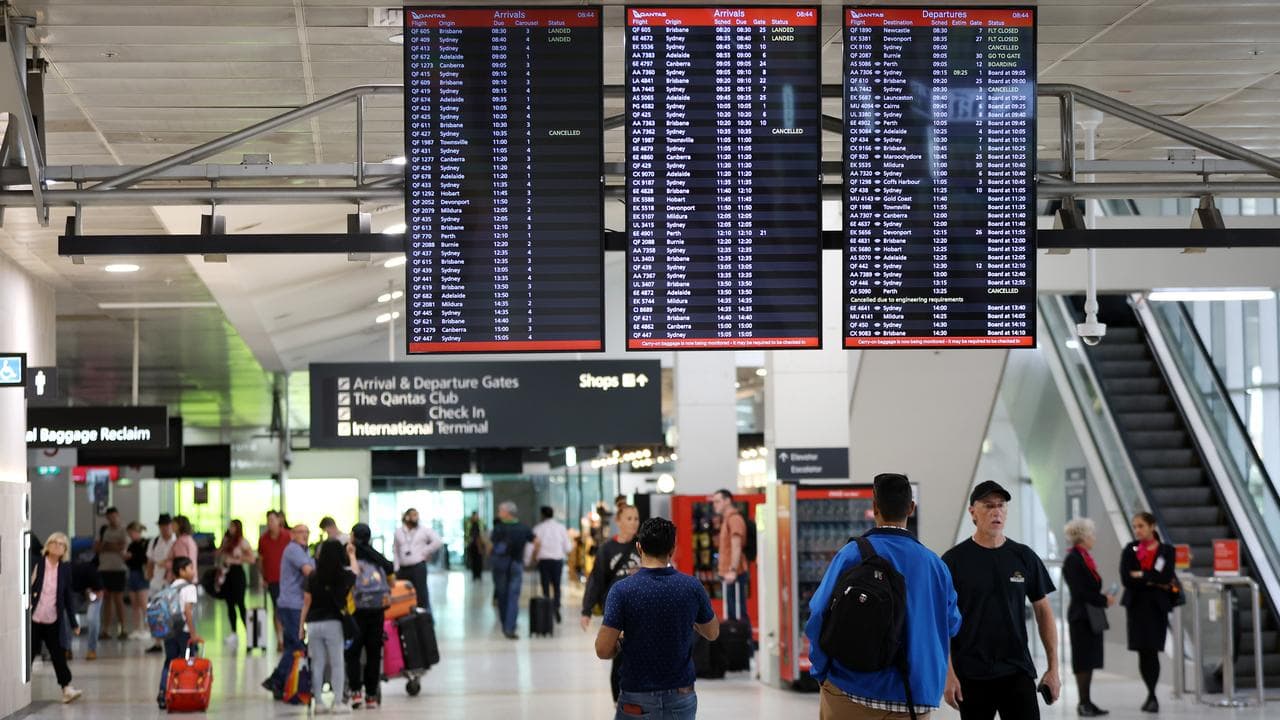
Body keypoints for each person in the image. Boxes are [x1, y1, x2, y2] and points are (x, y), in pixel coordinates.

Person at [805, 472, 962, 719]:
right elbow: (952, 624)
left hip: (852, 687)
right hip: (915, 696)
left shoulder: (852, 554)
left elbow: (818, 614)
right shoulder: (936, 566)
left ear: (874, 507)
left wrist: (821, 671)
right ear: (911, 507)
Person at [943, 481, 1060, 719]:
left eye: (1001, 506)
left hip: (1017, 670)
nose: (996, 511)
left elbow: (1043, 611)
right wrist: (948, 675)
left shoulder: (1024, 556)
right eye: (988, 506)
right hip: (971, 674)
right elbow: (940, 621)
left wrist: (1054, 668)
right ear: (972, 512)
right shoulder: (954, 561)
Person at [595, 517, 719, 720]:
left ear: (638, 547)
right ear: (673, 548)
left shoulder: (622, 590)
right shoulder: (692, 587)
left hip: (637, 696)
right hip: (681, 694)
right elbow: (712, 633)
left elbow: (602, 649)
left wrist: (620, 643)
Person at [581, 504, 643, 701]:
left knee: (639, 654)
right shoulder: (607, 548)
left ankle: (638, 696)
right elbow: (596, 579)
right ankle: (619, 700)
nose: (633, 523)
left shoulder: (644, 545)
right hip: (616, 609)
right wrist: (586, 610)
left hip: (642, 608)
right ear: (618, 521)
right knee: (618, 655)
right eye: (629, 518)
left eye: (636, 518)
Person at [1120, 512, 1176, 714]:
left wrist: (1141, 575)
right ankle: (1150, 693)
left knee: (1152, 650)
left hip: (1156, 608)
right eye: (1135, 526)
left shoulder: (1166, 550)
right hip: (1136, 607)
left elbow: (1167, 576)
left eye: (1141, 526)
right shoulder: (1130, 550)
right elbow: (1126, 579)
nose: (1137, 530)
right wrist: (1152, 579)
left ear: (1152, 526)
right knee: (1143, 652)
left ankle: (1152, 695)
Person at [1063, 518, 1117, 717]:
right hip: (1081, 616)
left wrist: (1102, 599)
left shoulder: (1083, 557)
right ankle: (1083, 703)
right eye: (1092, 534)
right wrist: (1104, 600)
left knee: (1089, 660)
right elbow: (1080, 592)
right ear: (1083, 537)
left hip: (1090, 615)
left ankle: (1087, 701)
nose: (1094, 538)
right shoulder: (1074, 560)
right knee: (1083, 660)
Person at [302, 539, 357, 715]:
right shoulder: (342, 575)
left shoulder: (313, 576)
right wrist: (352, 554)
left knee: (317, 663)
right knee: (337, 663)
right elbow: (355, 573)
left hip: (313, 623)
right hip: (333, 623)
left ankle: (318, 702)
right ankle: (337, 702)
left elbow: (306, 602)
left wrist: (300, 626)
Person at [346, 523, 396, 710]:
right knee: (374, 652)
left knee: (353, 652)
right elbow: (391, 580)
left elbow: (349, 578)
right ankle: (371, 695)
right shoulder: (378, 558)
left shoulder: (350, 555)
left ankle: (355, 692)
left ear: (353, 536)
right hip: (377, 611)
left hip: (356, 612)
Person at [30, 532, 83, 703]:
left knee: (58, 653)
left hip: (53, 618)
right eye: (54, 542)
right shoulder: (37, 563)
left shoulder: (65, 569)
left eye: (61, 544)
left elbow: (68, 597)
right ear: (48, 544)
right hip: (34, 616)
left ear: (65, 550)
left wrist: (74, 622)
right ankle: (16, 687)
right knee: (29, 652)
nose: (57, 545)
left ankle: (66, 688)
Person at [264, 523, 315, 698]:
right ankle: (276, 680)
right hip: (291, 604)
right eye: (301, 532)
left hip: (296, 604)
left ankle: (281, 683)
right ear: (292, 535)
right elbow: (309, 571)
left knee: (291, 646)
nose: (305, 535)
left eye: (307, 532)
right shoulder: (293, 550)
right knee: (296, 645)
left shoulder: (304, 551)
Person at [156, 556, 202, 710]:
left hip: (169, 632)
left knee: (169, 661)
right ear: (181, 571)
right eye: (190, 568)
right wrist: (193, 634)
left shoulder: (170, 587)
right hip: (184, 632)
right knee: (189, 662)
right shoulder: (189, 588)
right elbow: (187, 612)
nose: (193, 571)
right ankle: (187, 691)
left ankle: (163, 693)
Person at [491, 501, 535, 639]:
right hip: (517, 563)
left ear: (506, 513)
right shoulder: (523, 527)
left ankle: (505, 624)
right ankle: (510, 627)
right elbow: (536, 541)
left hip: (501, 565)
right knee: (513, 596)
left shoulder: (498, 528)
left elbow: (491, 544)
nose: (498, 513)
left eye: (500, 511)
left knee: (502, 595)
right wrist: (532, 559)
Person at [710, 489, 750, 630]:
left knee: (738, 616)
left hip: (735, 575)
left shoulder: (734, 519)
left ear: (728, 501)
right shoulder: (727, 519)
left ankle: (744, 649)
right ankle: (737, 649)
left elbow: (736, 546)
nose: (714, 505)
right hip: (729, 574)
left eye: (717, 501)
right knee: (733, 616)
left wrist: (732, 570)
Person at [393, 508, 444, 612]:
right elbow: (395, 551)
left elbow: (438, 541)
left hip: (418, 567)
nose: (416, 518)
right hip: (402, 569)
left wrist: (425, 551)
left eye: (417, 515)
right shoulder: (398, 532)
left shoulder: (424, 530)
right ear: (406, 517)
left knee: (421, 594)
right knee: (403, 594)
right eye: (413, 515)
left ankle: (424, 620)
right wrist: (396, 567)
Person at [218, 519, 256, 647]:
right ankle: (233, 632)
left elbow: (252, 558)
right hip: (227, 574)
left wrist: (238, 558)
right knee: (230, 604)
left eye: (233, 527)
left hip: (237, 573)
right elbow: (220, 554)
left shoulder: (242, 542)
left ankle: (249, 633)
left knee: (240, 604)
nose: (230, 529)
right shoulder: (227, 541)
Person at [258, 510, 292, 652]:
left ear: (279, 521)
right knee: (277, 610)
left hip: (288, 580)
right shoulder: (263, 539)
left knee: (289, 609)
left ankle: (290, 636)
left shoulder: (288, 537)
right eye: (268, 520)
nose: (270, 523)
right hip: (272, 580)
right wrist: (262, 577)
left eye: (272, 520)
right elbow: (260, 560)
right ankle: (280, 640)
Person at [533, 506, 574, 622]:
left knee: (545, 586)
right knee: (557, 586)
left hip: (543, 561)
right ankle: (556, 607)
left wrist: (532, 558)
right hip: (557, 560)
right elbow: (567, 547)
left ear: (542, 515)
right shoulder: (560, 528)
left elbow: (533, 545)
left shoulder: (538, 528)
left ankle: (547, 609)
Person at [95, 506, 130, 639]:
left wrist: (107, 546)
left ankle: (123, 628)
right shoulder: (104, 530)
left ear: (118, 515)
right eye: (109, 517)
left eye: (114, 516)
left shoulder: (123, 530)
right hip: (105, 569)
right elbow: (98, 547)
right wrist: (111, 546)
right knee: (107, 599)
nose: (112, 519)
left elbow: (122, 546)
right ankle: (106, 630)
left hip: (118, 569)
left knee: (118, 599)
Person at [145, 513, 177, 654]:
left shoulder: (176, 542)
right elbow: (150, 561)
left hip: (171, 583)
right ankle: (157, 642)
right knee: (155, 613)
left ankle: (173, 641)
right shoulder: (155, 541)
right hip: (156, 582)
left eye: (166, 526)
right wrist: (149, 575)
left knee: (171, 613)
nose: (164, 529)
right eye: (161, 526)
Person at [69, 550, 105, 661]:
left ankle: (89, 649)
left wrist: (90, 594)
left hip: (91, 592)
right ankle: (69, 649)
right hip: (77, 592)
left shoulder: (89, 571)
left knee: (91, 618)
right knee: (68, 616)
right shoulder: (89, 570)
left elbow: (98, 593)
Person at [124, 521, 151, 640]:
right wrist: (127, 558)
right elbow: (128, 561)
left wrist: (132, 557)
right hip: (132, 574)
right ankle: (137, 628)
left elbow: (145, 558)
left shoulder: (145, 543)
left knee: (143, 604)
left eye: (131, 533)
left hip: (141, 574)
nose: (130, 536)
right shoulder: (131, 545)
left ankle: (147, 628)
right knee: (134, 604)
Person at [465, 511, 487, 582]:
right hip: (471, 544)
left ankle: (479, 575)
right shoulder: (468, 523)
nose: (475, 517)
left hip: (479, 544)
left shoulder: (480, 522)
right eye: (475, 515)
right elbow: (466, 533)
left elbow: (484, 531)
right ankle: (474, 575)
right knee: (473, 560)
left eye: (477, 516)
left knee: (479, 560)